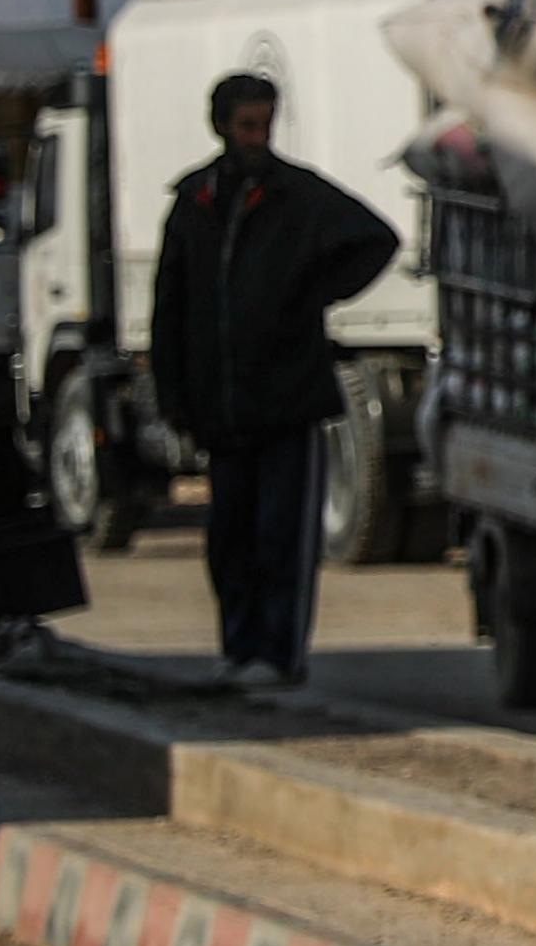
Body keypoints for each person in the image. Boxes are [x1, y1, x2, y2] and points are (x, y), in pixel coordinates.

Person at [144, 70, 399, 689]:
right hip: (221, 408)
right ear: (223, 127)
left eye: (265, 124)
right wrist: (173, 396)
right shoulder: (196, 203)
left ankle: (280, 655)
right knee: (230, 536)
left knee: (281, 533)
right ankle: (239, 646)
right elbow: (169, 306)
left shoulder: (298, 197)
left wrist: (310, 294)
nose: (258, 138)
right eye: (247, 126)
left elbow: (375, 240)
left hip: (286, 401)